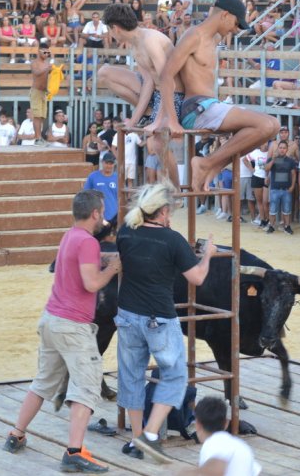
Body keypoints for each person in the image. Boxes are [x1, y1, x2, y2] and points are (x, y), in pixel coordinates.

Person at [2, 190, 120, 474]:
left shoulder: (70, 236)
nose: (103, 216)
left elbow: (78, 269)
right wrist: (113, 268)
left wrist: (104, 262)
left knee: (43, 382)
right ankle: (74, 452)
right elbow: (92, 284)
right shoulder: (89, 242)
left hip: (51, 318)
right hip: (73, 326)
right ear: (95, 213)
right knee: (87, 387)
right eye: (102, 211)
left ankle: (16, 434)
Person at [115, 182, 216, 464]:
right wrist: (207, 254)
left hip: (127, 313)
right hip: (158, 316)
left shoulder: (125, 231)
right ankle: (149, 435)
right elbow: (197, 278)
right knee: (175, 375)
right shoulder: (173, 239)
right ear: (161, 211)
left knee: (131, 376)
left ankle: (137, 439)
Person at [152, 0, 279, 192]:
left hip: (209, 105)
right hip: (195, 108)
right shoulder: (194, 35)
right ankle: (207, 164)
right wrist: (171, 119)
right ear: (225, 15)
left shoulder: (215, 38)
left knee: (271, 128)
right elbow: (167, 75)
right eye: (236, 23)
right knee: (267, 124)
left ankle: (211, 165)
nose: (235, 29)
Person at [98, 4, 183, 186]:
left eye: (109, 30)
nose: (110, 34)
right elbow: (148, 84)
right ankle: (146, 115)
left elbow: (168, 81)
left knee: (157, 145)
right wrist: (134, 120)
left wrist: (159, 119)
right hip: (156, 92)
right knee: (104, 72)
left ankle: (178, 191)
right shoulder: (135, 45)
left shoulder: (150, 40)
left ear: (116, 28)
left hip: (173, 93)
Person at [179, 397, 262, 476]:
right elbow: (256, 471)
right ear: (226, 423)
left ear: (197, 425)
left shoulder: (212, 443)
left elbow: (218, 467)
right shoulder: (240, 445)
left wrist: (193, 472)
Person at [264, 140, 296, 235]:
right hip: (274, 189)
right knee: (272, 210)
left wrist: (293, 186)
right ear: (278, 148)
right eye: (280, 148)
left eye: (284, 148)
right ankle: (271, 226)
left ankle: (287, 226)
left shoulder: (291, 161)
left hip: (286, 189)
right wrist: (273, 159)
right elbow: (266, 169)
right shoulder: (272, 159)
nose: (282, 150)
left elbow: (293, 174)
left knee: (287, 210)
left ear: (287, 149)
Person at [85, 153, 119, 226]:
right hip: (98, 217)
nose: (109, 166)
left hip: (115, 217)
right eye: (107, 163)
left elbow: (121, 197)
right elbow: (85, 194)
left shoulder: (118, 178)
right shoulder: (93, 176)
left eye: (111, 163)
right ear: (102, 162)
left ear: (114, 164)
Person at [30, 42, 51, 143]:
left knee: (42, 116)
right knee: (37, 115)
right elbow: (37, 73)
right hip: (36, 91)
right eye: (45, 52)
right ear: (39, 51)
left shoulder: (47, 63)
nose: (46, 54)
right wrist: (47, 69)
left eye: (48, 52)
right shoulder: (35, 63)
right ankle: (37, 138)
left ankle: (39, 137)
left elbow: (48, 78)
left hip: (44, 92)